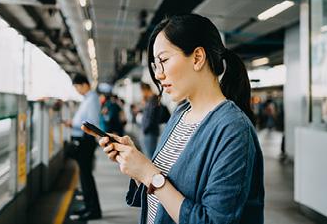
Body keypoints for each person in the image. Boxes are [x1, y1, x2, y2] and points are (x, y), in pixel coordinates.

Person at [83, 14, 264, 223]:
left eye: (164, 61)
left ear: (197, 58)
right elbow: (165, 194)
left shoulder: (233, 129)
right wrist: (137, 165)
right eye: (155, 66)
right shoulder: (181, 113)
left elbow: (212, 220)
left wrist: (150, 174)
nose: (159, 75)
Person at [62, 74, 103, 220]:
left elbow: (90, 123)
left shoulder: (91, 99)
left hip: (86, 141)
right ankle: (88, 206)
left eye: (77, 87)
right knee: (84, 176)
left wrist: (72, 124)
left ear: (84, 84)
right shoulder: (88, 99)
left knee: (86, 176)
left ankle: (93, 210)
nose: (77, 90)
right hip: (84, 140)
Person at [139, 82, 164, 157]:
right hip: (149, 131)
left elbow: (151, 117)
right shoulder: (151, 100)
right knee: (149, 154)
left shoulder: (153, 100)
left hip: (150, 132)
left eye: (141, 92)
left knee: (150, 156)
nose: (141, 94)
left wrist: (145, 129)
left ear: (145, 90)